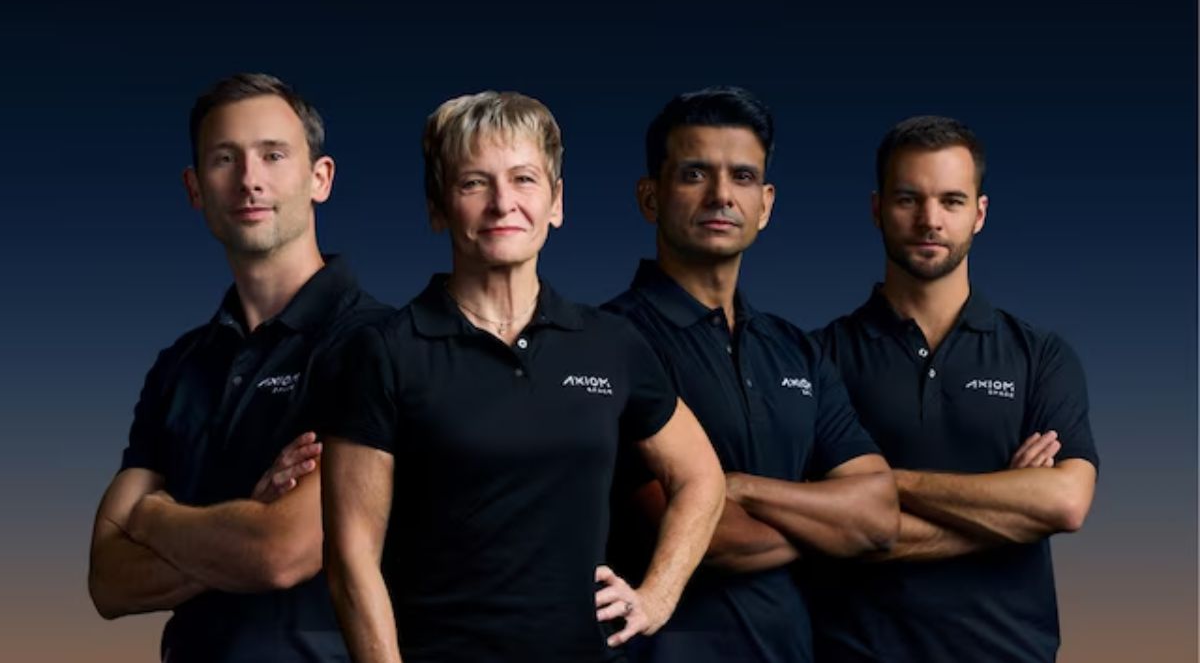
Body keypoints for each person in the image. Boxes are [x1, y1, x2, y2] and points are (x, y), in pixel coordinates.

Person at [317, 91, 726, 663]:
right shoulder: (384, 352)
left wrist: (656, 596)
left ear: (556, 202)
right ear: (438, 209)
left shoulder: (610, 344)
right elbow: (351, 560)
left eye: (524, 179)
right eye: (473, 184)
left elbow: (701, 479)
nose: (502, 203)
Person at [87, 73, 388, 662]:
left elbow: (280, 553)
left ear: (319, 178)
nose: (250, 179)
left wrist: (155, 515)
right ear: (195, 188)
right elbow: (107, 582)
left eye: (273, 155)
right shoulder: (178, 368)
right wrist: (245, 519)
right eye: (225, 158)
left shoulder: (379, 344)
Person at [602, 87, 898, 663]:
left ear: (765, 204)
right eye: (694, 174)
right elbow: (697, 536)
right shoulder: (608, 341)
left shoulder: (796, 351)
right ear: (649, 197)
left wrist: (739, 488)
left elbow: (880, 515)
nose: (720, 195)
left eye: (741, 177)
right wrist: (832, 528)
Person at [811, 115, 1100, 662]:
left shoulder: (1040, 356)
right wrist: (1009, 504)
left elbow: (1064, 502)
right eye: (907, 200)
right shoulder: (818, 357)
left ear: (980, 214)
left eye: (951, 201)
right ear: (876, 209)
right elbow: (815, 527)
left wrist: (878, 486)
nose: (929, 220)